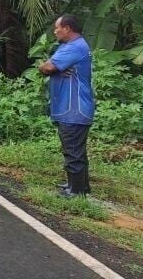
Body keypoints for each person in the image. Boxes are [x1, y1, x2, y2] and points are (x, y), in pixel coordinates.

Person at [39, 14, 95, 197]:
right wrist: (54, 69)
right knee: (76, 149)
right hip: (74, 107)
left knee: (72, 150)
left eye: (57, 28)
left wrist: (49, 69)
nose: (55, 31)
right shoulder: (74, 46)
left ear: (67, 28)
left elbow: (47, 67)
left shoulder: (73, 48)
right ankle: (79, 185)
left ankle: (76, 191)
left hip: (74, 108)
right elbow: (52, 67)